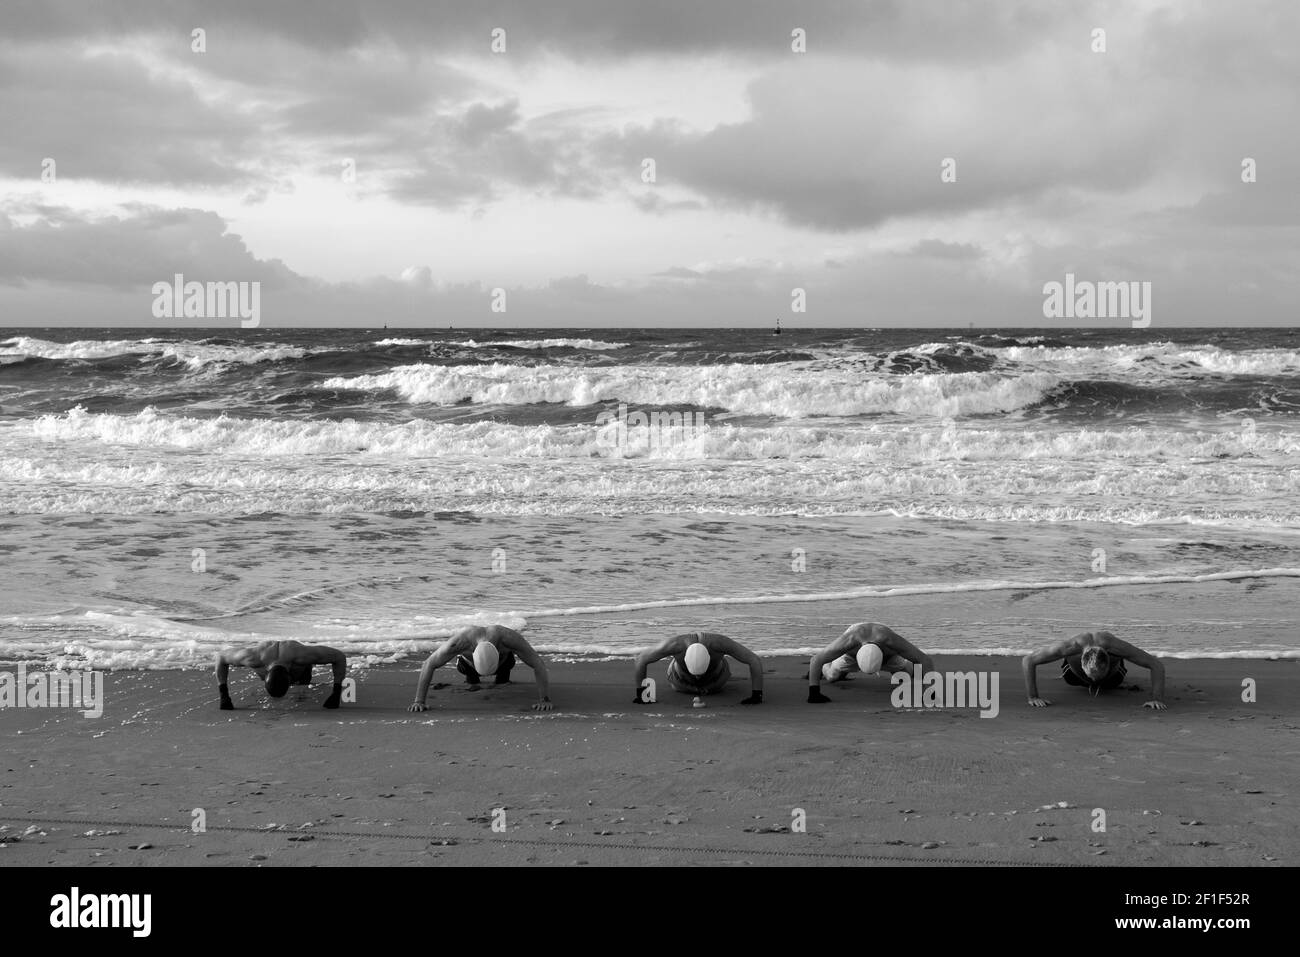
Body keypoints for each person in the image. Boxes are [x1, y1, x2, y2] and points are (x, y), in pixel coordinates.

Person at [408, 624, 553, 712]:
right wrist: (419, 701)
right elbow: (429, 663)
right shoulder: (460, 641)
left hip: (503, 663)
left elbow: (538, 663)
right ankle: (472, 676)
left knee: (502, 680)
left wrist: (544, 699)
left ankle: (502, 676)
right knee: (472, 681)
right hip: (468, 665)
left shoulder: (508, 638)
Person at [1022, 630, 1166, 709]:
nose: (1094, 681)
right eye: (1091, 676)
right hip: (1074, 677)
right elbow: (1028, 660)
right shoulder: (1071, 647)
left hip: (1112, 679)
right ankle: (1085, 675)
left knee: (1108, 683)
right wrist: (1033, 697)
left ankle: (1106, 676)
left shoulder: (1116, 647)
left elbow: (1156, 665)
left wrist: (1156, 699)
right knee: (1072, 678)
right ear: (1082, 660)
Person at [806, 622, 933, 703]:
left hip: (888, 655)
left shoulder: (890, 641)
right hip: (852, 654)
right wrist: (814, 692)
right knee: (832, 676)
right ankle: (827, 670)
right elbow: (816, 659)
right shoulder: (850, 640)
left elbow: (923, 659)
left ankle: (901, 670)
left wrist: (928, 692)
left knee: (905, 677)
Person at [632, 631, 765, 704]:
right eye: (695, 673)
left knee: (721, 669)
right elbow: (641, 660)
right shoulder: (675, 645)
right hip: (681, 682)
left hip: (716, 682)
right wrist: (642, 694)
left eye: (700, 673)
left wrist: (756, 695)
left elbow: (753, 660)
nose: (698, 677)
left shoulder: (719, 643)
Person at [215, 639, 347, 709]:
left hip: (298, 665)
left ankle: (302, 676)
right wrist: (224, 696)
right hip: (269, 658)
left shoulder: (302, 655)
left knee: (304, 682)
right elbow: (221, 657)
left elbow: (339, 657)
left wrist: (336, 693)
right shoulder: (253, 657)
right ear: (265, 674)